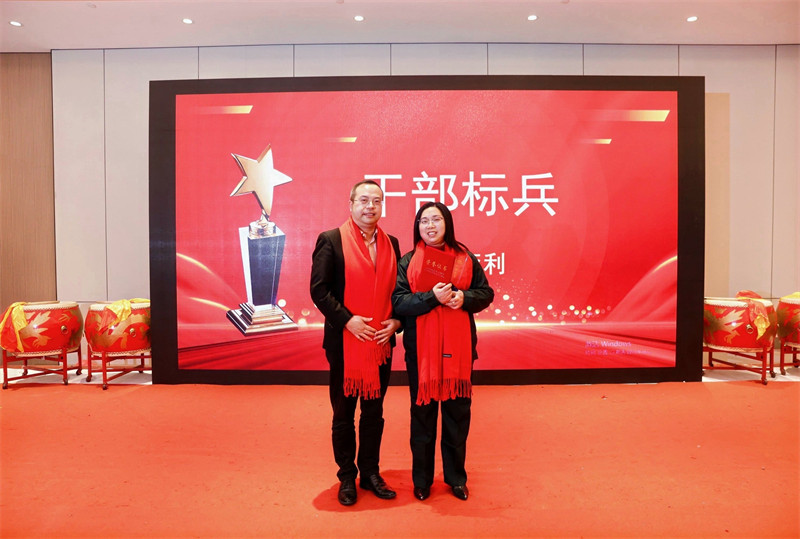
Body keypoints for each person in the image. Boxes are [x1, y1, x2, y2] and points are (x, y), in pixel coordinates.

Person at [392, 201, 494, 502]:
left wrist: (464, 298)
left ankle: (456, 478)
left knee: (456, 416)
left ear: (447, 224)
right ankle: (422, 480)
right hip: (421, 353)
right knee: (422, 417)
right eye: (424, 221)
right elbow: (399, 302)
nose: (430, 226)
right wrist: (431, 298)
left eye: (436, 220)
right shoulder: (408, 261)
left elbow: (486, 293)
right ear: (417, 227)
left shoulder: (465, 259)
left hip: (458, 354)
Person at [309, 180, 403, 506]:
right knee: (344, 412)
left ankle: (371, 472)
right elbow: (319, 290)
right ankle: (347, 476)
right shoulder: (331, 240)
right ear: (350, 204)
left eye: (376, 201)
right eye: (363, 200)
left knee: (374, 413)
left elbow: (399, 292)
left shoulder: (392, 243)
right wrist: (348, 320)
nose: (370, 207)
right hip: (345, 342)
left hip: (380, 342)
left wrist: (397, 322)